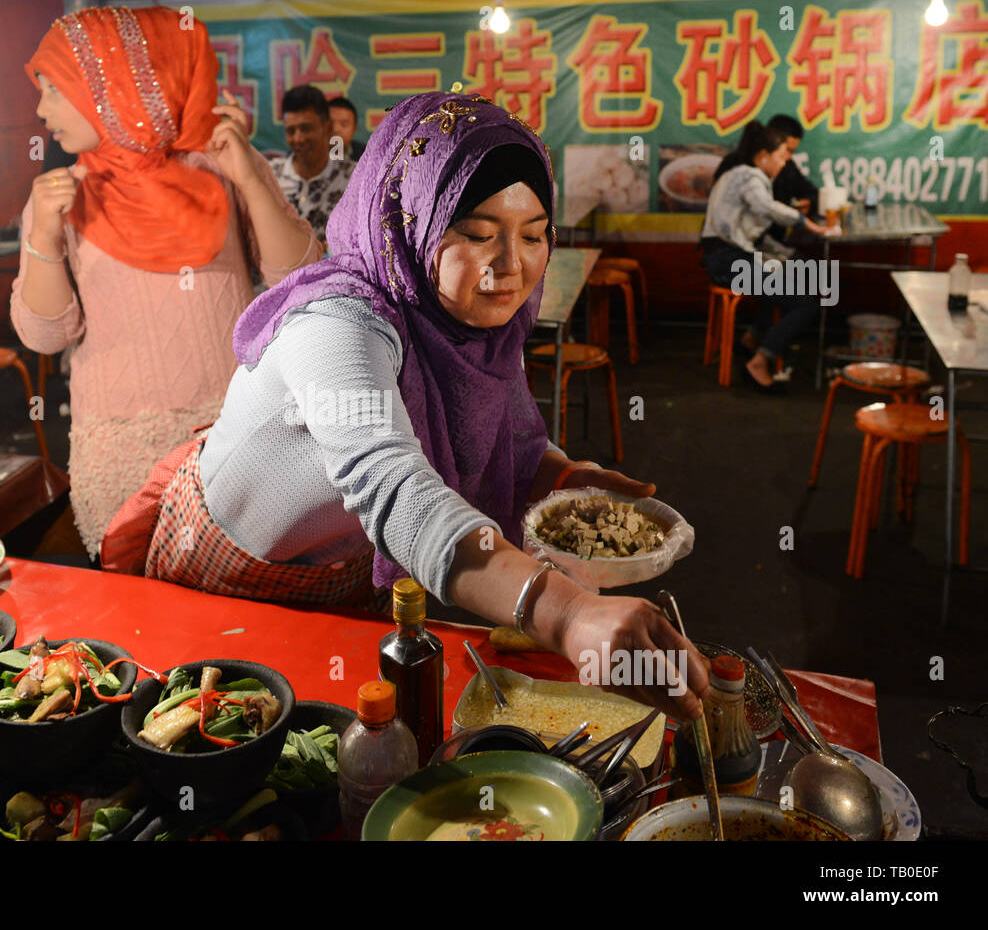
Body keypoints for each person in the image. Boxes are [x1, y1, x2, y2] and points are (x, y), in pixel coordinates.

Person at [130, 91, 708, 721]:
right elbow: (396, 489)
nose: (511, 267)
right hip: (229, 575)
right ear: (408, 223)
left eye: (536, 235)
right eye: (477, 234)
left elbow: (509, 435)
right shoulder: (334, 324)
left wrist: (562, 480)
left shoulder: (472, 324)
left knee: (349, 733)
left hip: (348, 569)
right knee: (219, 732)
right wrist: (566, 613)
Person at [13, 6, 320, 558]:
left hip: (237, 429)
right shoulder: (59, 196)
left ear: (113, 86)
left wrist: (250, 179)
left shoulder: (221, 166)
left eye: (55, 89)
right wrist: (41, 234)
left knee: (248, 608)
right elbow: (45, 335)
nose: (40, 109)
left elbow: (299, 283)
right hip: (118, 450)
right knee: (140, 619)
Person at [701, 120, 828, 392]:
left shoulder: (744, 175)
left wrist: (791, 257)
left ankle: (753, 339)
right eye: (783, 156)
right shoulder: (749, 177)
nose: (785, 163)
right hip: (728, 261)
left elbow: (757, 235)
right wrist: (807, 224)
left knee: (797, 273)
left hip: (731, 257)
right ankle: (760, 360)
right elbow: (767, 208)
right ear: (763, 155)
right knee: (806, 303)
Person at [269, 85, 356, 250]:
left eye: (306, 128)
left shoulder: (353, 177)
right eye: (291, 131)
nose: (298, 138)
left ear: (328, 128)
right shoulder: (269, 176)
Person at [767, 114, 818, 219]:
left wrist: (809, 202)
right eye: (787, 150)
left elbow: (811, 192)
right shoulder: (744, 170)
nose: (788, 157)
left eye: (792, 151)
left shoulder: (788, 166)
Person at [327, 96, 365, 161]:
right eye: (330, 123)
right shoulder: (308, 154)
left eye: (344, 124)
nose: (336, 129)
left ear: (354, 129)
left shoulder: (367, 155)